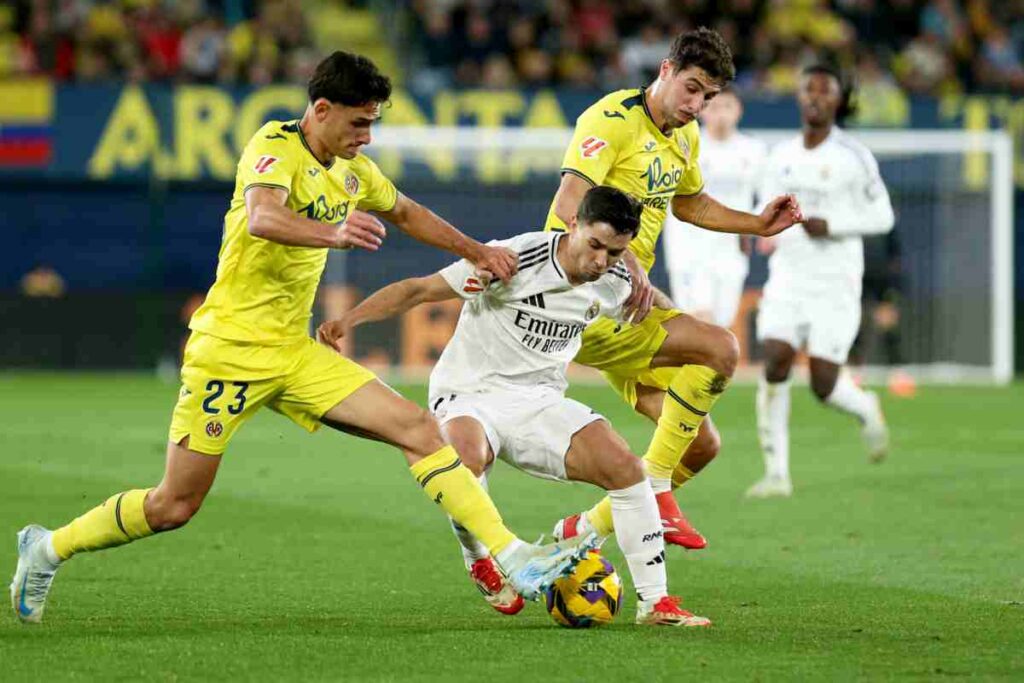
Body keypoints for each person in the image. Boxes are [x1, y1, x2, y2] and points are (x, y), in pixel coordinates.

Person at [10, 51, 596, 625]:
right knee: (174, 505)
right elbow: (264, 216)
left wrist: (477, 250)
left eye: (374, 123)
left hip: (294, 352)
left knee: (420, 429)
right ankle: (47, 548)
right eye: (359, 121)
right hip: (230, 352)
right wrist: (334, 233)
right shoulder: (273, 145)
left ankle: (510, 556)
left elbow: (409, 213)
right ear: (321, 109)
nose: (367, 136)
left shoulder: (355, 171)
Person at [320, 186, 711, 627]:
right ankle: (480, 559)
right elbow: (419, 290)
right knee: (464, 455)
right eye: (595, 245)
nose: (601, 260)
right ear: (573, 225)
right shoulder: (512, 260)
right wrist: (346, 322)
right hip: (469, 392)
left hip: (540, 400)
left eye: (616, 252)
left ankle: (655, 604)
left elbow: (652, 306)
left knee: (626, 468)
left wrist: (663, 303)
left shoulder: (617, 281)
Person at [544, 28, 801, 548]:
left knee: (700, 444)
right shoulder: (609, 119)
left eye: (708, 97)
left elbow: (691, 204)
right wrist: (619, 261)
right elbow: (567, 205)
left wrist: (757, 224)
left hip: (627, 303)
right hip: (581, 295)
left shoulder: (684, 136)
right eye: (692, 88)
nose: (697, 104)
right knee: (720, 347)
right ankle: (657, 493)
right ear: (665, 70)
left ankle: (584, 529)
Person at [748, 63, 894, 499]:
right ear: (799, 97)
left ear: (838, 99)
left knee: (824, 384)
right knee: (775, 357)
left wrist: (833, 224)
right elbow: (764, 208)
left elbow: (883, 215)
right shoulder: (780, 157)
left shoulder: (853, 157)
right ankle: (777, 473)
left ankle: (865, 406)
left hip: (835, 282)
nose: (814, 97)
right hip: (789, 276)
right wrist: (764, 232)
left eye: (824, 91)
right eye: (808, 90)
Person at [662, 86, 767, 328]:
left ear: (738, 110)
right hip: (690, 247)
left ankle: (700, 367)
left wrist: (752, 228)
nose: (721, 115)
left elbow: (767, 195)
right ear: (702, 110)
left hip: (730, 251)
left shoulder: (754, 151)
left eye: (727, 107)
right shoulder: (684, 145)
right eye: (715, 107)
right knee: (698, 318)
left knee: (721, 324)